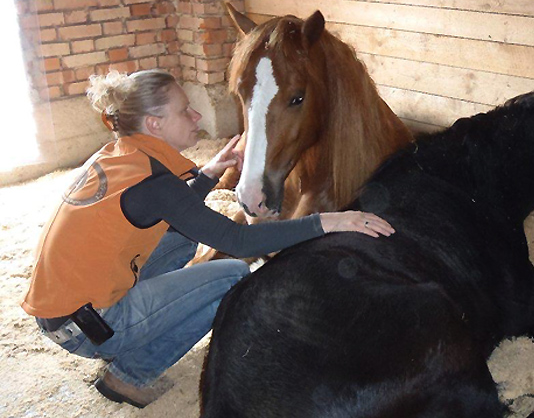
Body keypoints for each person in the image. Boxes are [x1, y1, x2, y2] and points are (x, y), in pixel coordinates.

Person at [21, 69, 395, 409]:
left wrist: (210, 173)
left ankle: (124, 343)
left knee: (184, 238)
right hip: (90, 326)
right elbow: (237, 241)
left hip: (65, 313)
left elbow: (170, 207)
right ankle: (129, 375)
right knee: (231, 275)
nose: (197, 116)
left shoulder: (121, 155)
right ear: (154, 124)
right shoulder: (154, 182)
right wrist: (328, 221)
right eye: (185, 110)